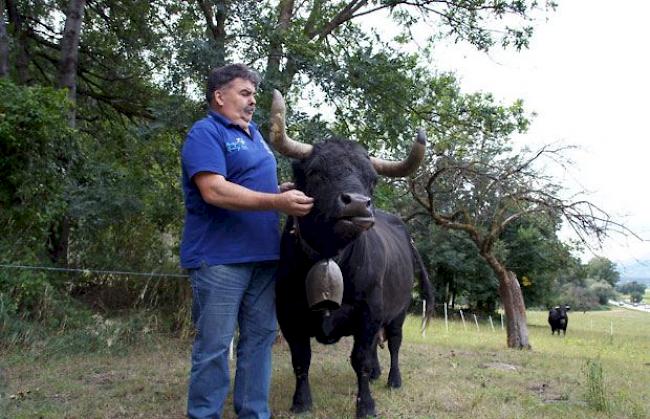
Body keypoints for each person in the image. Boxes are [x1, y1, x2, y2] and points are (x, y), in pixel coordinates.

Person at [180, 63, 313, 419]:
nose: (252, 100)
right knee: (215, 347)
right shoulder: (205, 133)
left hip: (264, 260)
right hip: (219, 260)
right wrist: (275, 202)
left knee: (259, 343)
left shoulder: (255, 136)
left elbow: (249, 188)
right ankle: (204, 414)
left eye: (254, 94)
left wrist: (277, 191)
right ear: (219, 96)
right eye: (244, 93)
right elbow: (214, 190)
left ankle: (255, 414)